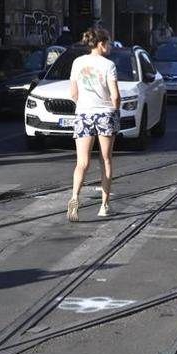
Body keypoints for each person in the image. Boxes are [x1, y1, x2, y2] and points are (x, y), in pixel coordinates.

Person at [68, 28, 121, 222]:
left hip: (83, 113)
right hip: (105, 114)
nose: (111, 46)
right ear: (101, 44)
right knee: (105, 159)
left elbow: (73, 93)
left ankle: (74, 198)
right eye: (109, 42)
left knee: (82, 162)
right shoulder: (109, 65)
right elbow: (115, 96)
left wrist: (83, 106)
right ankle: (104, 206)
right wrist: (114, 110)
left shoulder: (77, 63)